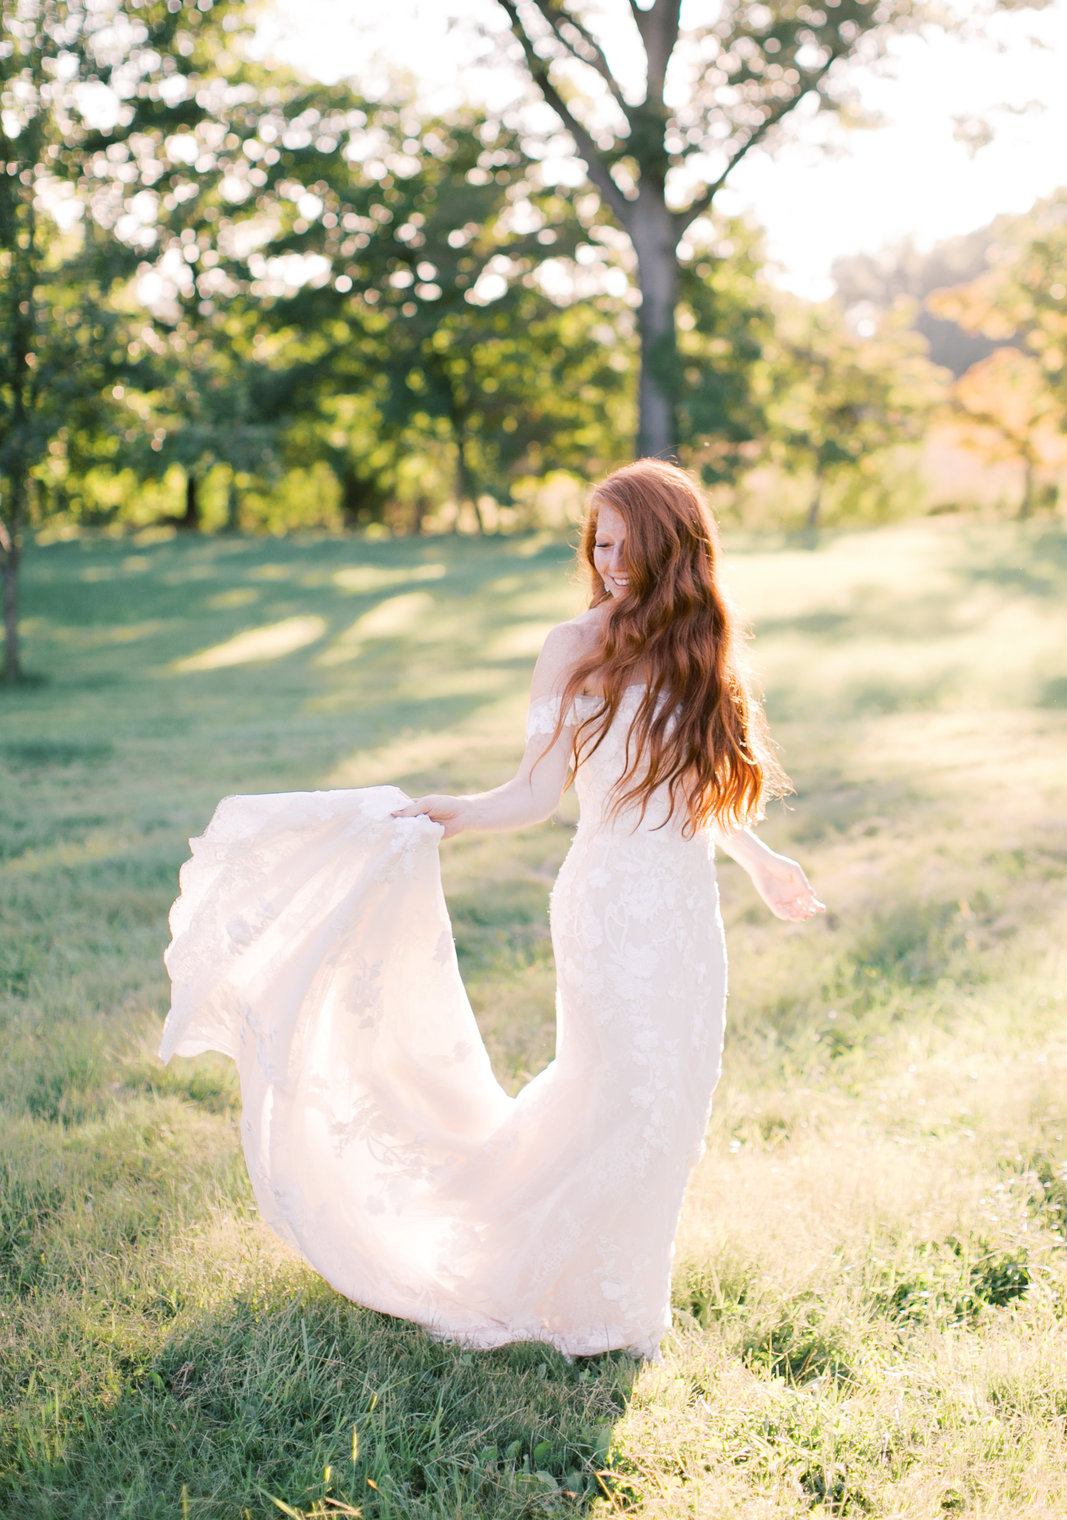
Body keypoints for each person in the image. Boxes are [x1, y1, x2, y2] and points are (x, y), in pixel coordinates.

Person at [159, 459, 822, 1360]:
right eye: (600, 540)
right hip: (606, 905)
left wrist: (762, 859)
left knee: (674, 1099)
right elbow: (535, 791)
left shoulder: (704, 642)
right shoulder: (574, 645)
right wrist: (459, 813)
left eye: (628, 543)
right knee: (619, 1092)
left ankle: (620, 1303)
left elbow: (702, 790)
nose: (610, 558)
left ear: (675, 546)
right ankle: (547, 1287)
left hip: (683, 910)